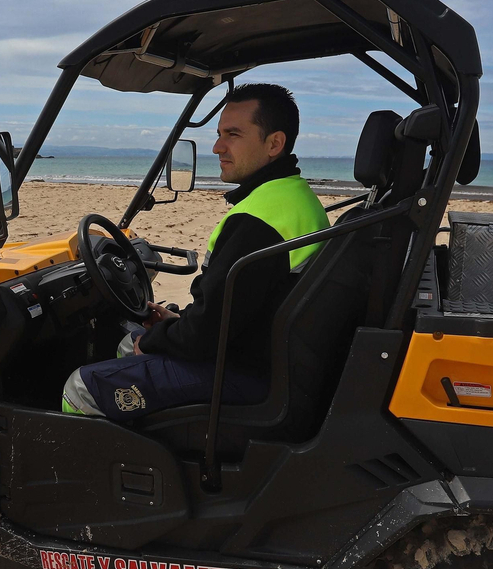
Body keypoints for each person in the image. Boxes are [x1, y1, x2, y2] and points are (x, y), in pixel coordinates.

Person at [62, 83, 331, 420]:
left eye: (233, 134)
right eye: (219, 134)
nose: (218, 147)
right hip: (269, 357)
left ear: (274, 143)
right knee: (131, 344)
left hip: (246, 374)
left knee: (81, 388)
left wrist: (161, 336)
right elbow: (232, 310)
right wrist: (177, 323)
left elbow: (203, 339)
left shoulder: (256, 221)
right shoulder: (296, 199)